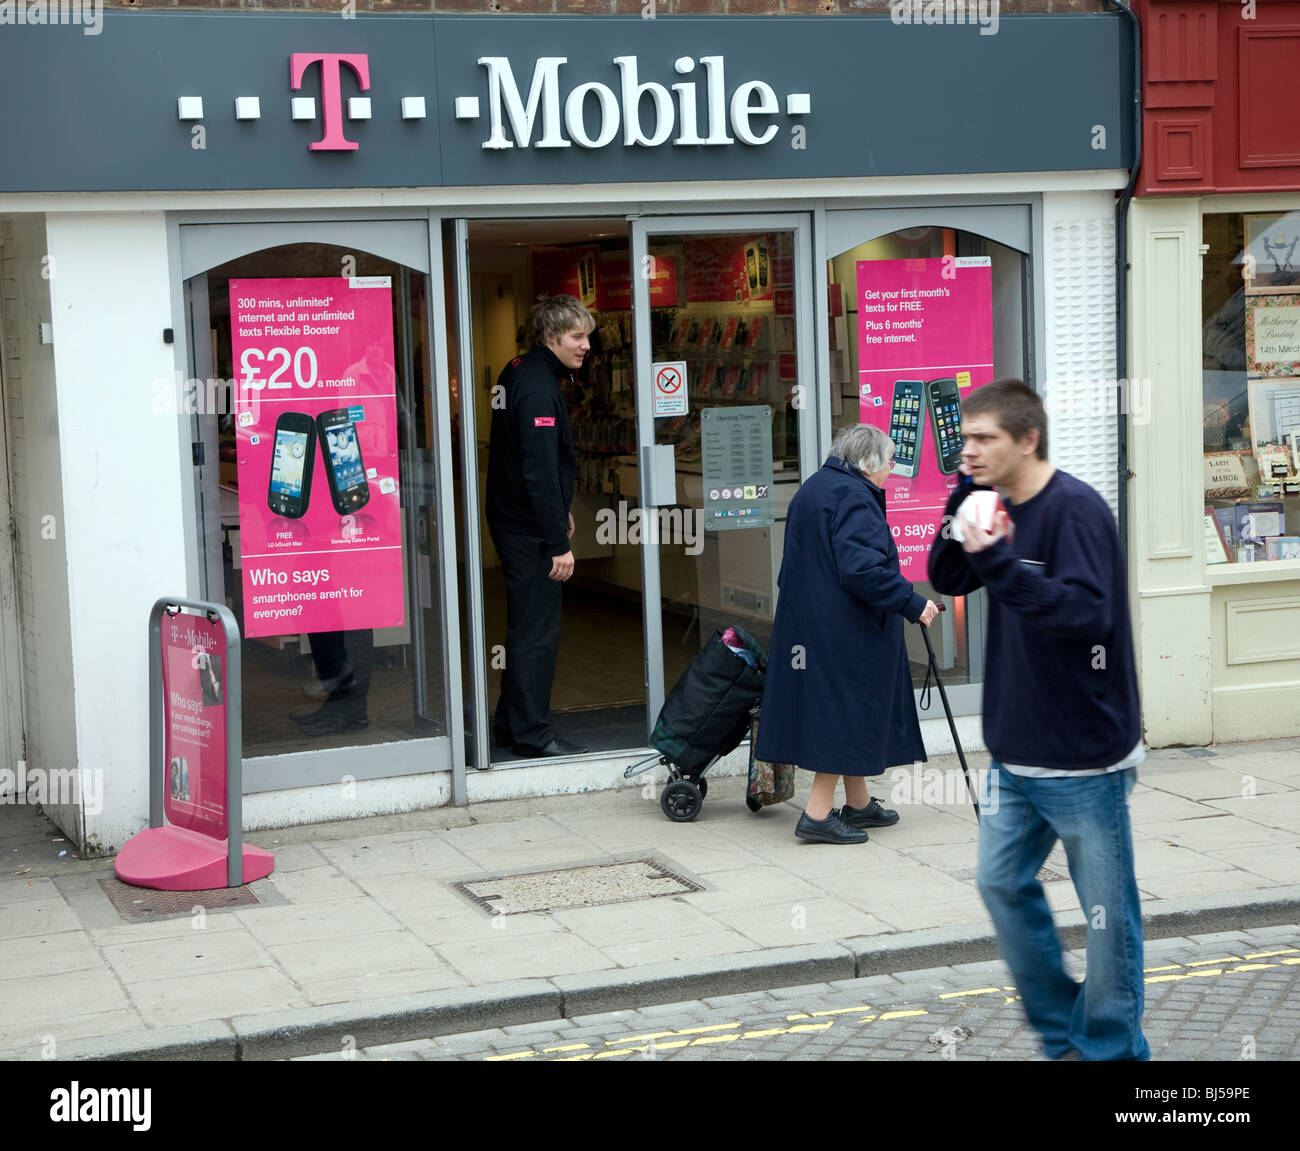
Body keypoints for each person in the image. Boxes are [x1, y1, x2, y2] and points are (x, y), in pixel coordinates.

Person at [926, 377, 1148, 1061]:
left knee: (1108, 919)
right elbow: (947, 577)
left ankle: (1109, 1048)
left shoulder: (1075, 511)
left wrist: (999, 560)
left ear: (1028, 439)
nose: (970, 449)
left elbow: (1087, 615)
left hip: (1085, 755)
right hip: (1016, 754)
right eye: (965, 439)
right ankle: (1062, 1034)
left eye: (984, 438)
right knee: (1000, 882)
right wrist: (963, 502)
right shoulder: (988, 500)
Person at [756, 424, 940, 844]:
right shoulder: (854, 497)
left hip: (813, 622)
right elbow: (863, 570)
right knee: (844, 713)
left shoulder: (817, 486)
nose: (893, 469)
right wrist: (913, 603)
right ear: (869, 463)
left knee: (847, 710)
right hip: (844, 629)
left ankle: (857, 803)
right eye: (890, 461)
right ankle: (817, 814)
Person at [485, 294, 593, 758]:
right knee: (536, 636)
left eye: (587, 335)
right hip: (527, 531)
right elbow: (538, 466)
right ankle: (533, 734)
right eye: (577, 336)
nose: (586, 345)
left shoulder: (521, 369)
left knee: (525, 630)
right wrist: (556, 541)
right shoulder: (538, 388)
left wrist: (557, 512)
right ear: (551, 337)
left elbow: (534, 467)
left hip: (520, 521)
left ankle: (510, 726)